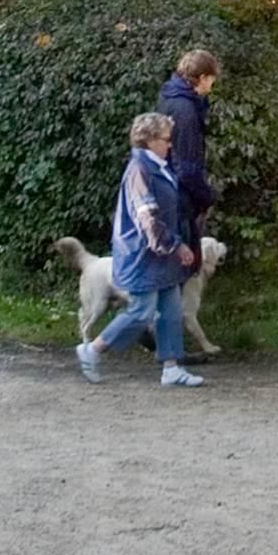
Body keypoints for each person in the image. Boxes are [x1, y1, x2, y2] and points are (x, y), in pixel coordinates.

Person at [76, 112, 204, 388]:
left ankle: (171, 367)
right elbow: (148, 218)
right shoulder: (140, 171)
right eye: (166, 139)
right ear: (149, 140)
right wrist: (175, 245)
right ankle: (93, 349)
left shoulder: (157, 166)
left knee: (171, 309)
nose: (170, 144)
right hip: (143, 254)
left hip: (160, 254)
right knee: (142, 311)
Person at [156, 49, 220, 243]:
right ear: (202, 78)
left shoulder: (168, 96)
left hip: (165, 189)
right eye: (211, 80)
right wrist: (205, 197)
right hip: (180, 197)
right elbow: (187, 166)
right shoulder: (185, 111)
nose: (211, 87)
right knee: (185, 253)